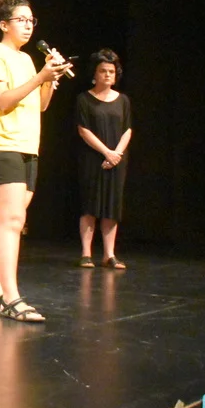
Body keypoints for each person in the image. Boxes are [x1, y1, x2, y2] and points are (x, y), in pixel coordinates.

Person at [0, 0, 70, 322]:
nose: (29, 26)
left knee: (9, 220)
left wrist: (49, 80)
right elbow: (3, 101)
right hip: (2, 145)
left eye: (32, 20)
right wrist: (40, 77)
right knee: (13, 221)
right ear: (4, 25)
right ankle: (11, 298)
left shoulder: (27, 60)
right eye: (22, 20)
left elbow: (39, 105)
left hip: (27, 146)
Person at [76, 49, 132, 270]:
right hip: (93, 158)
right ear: (95, 73)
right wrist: (106, 152)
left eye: (111, 71)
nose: (107, 75)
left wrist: (116, 154)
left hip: (117, 159)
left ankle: (109, 254)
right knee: (90, 205)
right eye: (103, 71)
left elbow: (127, 130)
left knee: (112, 206)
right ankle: (86, 253)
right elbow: (83, 130)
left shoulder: (123, 100)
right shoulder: (84, 99)